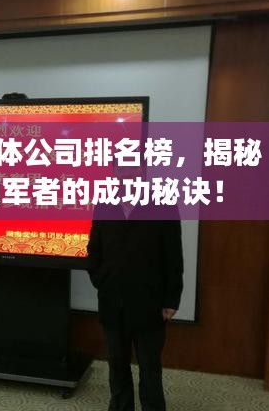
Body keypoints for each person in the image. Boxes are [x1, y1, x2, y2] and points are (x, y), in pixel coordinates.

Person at [87, 163, 184, 411]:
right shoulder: (105, 204)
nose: (126, 174)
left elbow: (173, 256)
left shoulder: (163, 204)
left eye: (132, 169)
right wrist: (102, 280)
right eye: (121, 169)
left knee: (150, 368)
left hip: (150, 303)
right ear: (114, 173)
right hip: (112, 302)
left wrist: (171, 299)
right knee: (117, 366)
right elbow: (94, 250)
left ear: (142, 171)